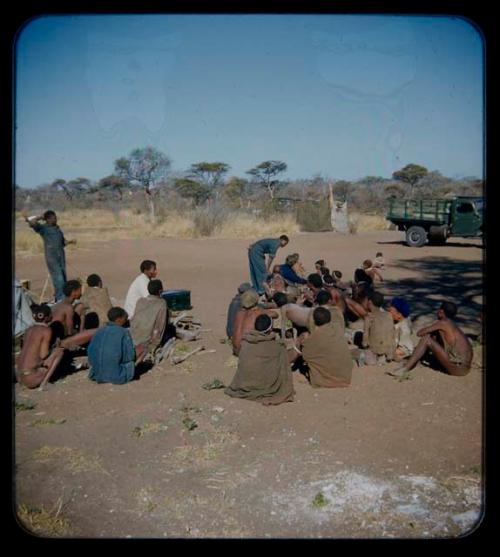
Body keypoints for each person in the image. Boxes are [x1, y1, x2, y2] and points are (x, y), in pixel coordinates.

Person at [224, 314, 295, 405]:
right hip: (264, 386)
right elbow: (286, 360)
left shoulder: (246, 342)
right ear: (270, 329)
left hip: (245, 384)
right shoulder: (276, 347)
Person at [389, 301, 473, 378]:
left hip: (458, 369)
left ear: (441, 312)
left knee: (427, 339)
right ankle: (417, 360)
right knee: (434, 335)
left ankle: (405, 368)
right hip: (465, 368)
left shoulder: (443, 323)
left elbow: (420, 333)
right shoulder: (452, 325)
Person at [292, 307, 353, 388]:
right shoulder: (337, 330)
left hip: (326, 382)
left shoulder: (310, 340)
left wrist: (299, 342)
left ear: (314, 321)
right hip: (346, 377)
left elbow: (302, 357)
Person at [22, 210, 76, 302]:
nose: (56, 219)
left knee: (63, 276)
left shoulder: (58, 229)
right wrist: (41, 217)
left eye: (56, 217)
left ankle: (61, 297)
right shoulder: (43, 229)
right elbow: (32, 223)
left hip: (61, 257)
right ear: (47, 219)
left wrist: (70, 242)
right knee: (58, 278)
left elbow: (63, 242)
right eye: (53, 218)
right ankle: (60, 299)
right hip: (52, 257)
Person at [88, 307, 143, 385]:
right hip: (116, 376)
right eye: (125, 319)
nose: (127, 321)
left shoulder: (99, 331)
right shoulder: (123, 332)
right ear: (119, 320)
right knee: (141, 348)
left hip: (97, 375)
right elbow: (130, 356)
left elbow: (90, 353)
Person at [15, 304, 65, 389]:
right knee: (59, 352)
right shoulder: (46, 330)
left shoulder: (29, 329)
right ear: (46, 317)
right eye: (50, 314)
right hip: (31, 378)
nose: (52, 316)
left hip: (20, 377)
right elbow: (43, 355)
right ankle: (44, 384)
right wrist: (54, 347)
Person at [130, 279, 170, 360]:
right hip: (146, 341)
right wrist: (154, 344)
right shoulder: (162, 303)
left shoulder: (140, 301)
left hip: (133, 337)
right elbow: (160, 326)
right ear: (160, 291)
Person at [231, 289, 279, 356]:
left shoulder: (239, 313)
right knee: (267, 322)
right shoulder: (257, 313)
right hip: (246, 352)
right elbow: (275, 314)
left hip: (236, 350)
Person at [360, 291, 395, 365]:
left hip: (374, 350)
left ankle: (376, 356)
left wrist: (364, 344)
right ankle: (386, 356)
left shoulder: (369, 317)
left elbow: (364, 342)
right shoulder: (389, 315)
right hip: (388, 349)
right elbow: (392, 334)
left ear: (370, 302)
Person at [387, 297, 414, 361]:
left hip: (404, 349)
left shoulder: (403, 329)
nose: (388, 313)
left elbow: (404, 350)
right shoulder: (400, 320)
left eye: (390, 312)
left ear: (399, 315)